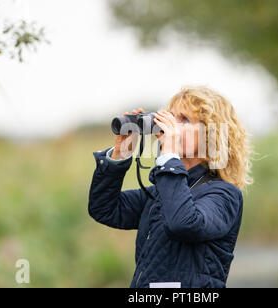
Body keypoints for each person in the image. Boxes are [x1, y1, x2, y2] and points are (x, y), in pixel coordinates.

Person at [88, 85, 252, 288]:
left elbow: (183, 223)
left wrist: (168, 158)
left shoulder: (224, 194)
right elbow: (105, 208)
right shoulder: (161, 192)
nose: (171, 126)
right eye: (170, 117)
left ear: (211, 135)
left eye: (184, 120)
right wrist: (120, 155)